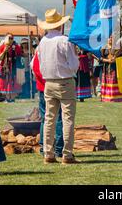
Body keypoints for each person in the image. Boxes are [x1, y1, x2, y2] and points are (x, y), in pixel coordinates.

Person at [37, 9, 79, 165]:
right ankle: (67, 155)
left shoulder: (43, 41)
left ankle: (48, 153)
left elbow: (41, 64)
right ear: (60, 25)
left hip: (49, 82)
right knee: (67, 119)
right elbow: (74, 64)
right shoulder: (64, 40)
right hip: (64, 81)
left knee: (49, 118)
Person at [31, 51, 64, 158]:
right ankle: (58, 149)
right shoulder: (52, 50)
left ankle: (44, 148)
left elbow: (34, 68)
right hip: (53, 86)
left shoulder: (40, 50)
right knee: (58, 118)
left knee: (46, 118)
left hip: (43, 87)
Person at [0, 33, 23, 102]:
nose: (10, 39)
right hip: (5, 68)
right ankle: (7, 98)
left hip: (14, 67)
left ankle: (13, 98)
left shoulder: (16, 46)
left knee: (14, 83)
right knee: (6, 83)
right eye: (9, 38)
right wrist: (5, 50)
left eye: (12, 38)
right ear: (5, 38)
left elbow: (20, 55)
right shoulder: (2, 47)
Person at [100, 36, 122, 103]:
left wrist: (115, 59)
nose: (111, 39)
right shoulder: (104, 48)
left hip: (116, 67)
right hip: (107, 68)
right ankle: (107, 98)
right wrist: (107, 60)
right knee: (108, 82)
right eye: (110, 38)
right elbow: (100, 58)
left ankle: (118, 98)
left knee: (116, 81)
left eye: (113, 38)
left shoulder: (119, 48)